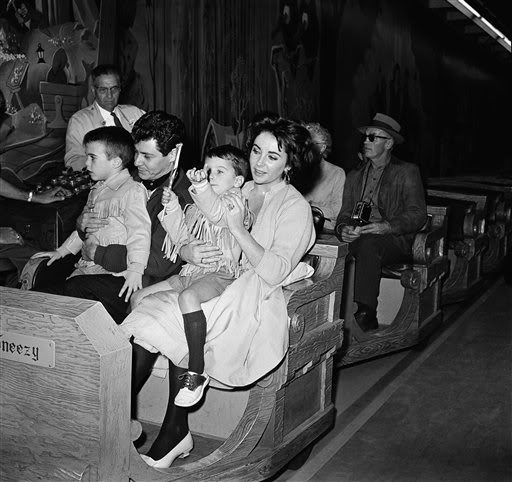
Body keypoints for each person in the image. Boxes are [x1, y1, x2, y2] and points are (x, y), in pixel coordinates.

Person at [120, 117, 317, 469]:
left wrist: (239, 229)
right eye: (256, 151)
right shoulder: (235, 187)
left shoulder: (295, 207)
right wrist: (187, 251)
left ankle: (171, 429)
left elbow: (274, 271)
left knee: (168, 314)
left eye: (273, 157)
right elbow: (195, 229)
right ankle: (118, 415)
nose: (259, 162)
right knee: (146, 311)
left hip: (254, 295)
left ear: (290, 164)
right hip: (210, 280)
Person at [132, 145, 251, 408]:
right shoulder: (198, 206)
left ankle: (196, 371)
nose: (210, 175)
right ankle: (140, 351)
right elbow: (181, 237)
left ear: (238, 181)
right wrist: (173, 208)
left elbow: (216, 214)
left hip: (220, 274)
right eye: (207, 169)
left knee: (187, 298)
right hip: (191, 273)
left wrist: (199, 186)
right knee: (139, 297)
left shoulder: (235, 203)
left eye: (219, 171)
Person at [52, 111, 196, 322]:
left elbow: (159, 263)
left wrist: (99, 253)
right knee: (47, 285)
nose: (136, 162)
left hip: (143, 282)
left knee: (74, 291)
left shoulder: (183, 198)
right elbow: (95, 217)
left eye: (147, 156)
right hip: (101, 264)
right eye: (136, 152)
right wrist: (82, 225)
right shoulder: (128, 179)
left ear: (173, 154)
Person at [32, 126, 151, 302]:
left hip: (112, 272)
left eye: (92, 158)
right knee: (43, 296)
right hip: (86, 266)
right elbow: (85, 230)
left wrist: (136, 268)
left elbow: (140, 232)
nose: (86, 164)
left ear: (115, 162)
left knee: (65, 296)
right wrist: (62, 251)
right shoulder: (96, 190)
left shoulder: (132, 191)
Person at [335, 113, 427, 332]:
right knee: (333, 248)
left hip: (393, 239)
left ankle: (366, 313)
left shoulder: (406, 172)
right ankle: (333, 311)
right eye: (365, 137)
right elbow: (344, 214)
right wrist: (344, 228)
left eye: (372, 137)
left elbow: (417, 214)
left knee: (369, 244)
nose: (366, 142)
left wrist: (387, 226)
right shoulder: (354, 175)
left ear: (388, 143)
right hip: (360, 235)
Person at [64, 64, 145, 171]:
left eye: (114, 89)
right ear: (94, 91)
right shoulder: (79, 121)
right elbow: (73, 160)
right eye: (103, 90)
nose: (109, 95)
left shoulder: (135, 113)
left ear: (120, 89)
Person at [304, 122, 346, 231]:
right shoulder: (295, 170)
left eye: (310, 144)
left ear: (322, 148)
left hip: (324, 230)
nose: (305, 148)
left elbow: (336, 211)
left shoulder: (337, 173)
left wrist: (307, 205)